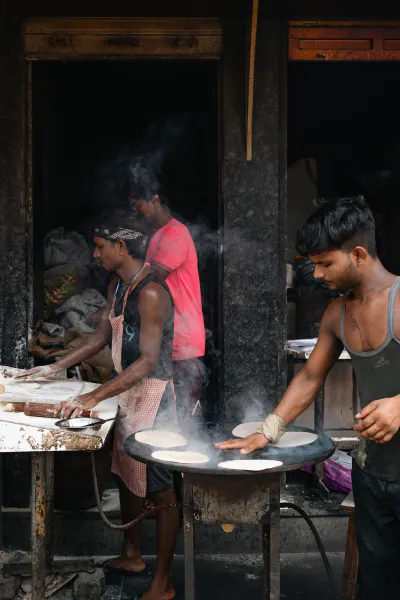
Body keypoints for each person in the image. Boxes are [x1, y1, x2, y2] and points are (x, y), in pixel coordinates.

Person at [215, 196, 400, 600]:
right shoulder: (337, 314)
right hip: (372, 474)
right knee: (379, 584)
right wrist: (267, 431)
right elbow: (310, 378)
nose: (315, 274)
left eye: (325, 263)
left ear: (358, 254)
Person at [18, 215, 179, 600]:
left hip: (156, 397)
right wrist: (54, 366)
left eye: (99, 246)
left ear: (120, 247)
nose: (95, 253)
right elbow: (103, 334)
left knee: (161, 492)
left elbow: (148, 362)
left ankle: (163, 583)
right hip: (128, 391)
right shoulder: (119, 283)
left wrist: (94, 396)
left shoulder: (152, 292)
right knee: (125, 473)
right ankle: (133, 554)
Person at [130, 182, 205, 424]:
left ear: (154, 200)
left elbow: (152, 280)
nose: (136, 213)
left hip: (183, 338)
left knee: (185, 415)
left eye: (138, 206)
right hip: (170, 335)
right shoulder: (158, 235)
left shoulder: (174, 234)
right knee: (171, 415)